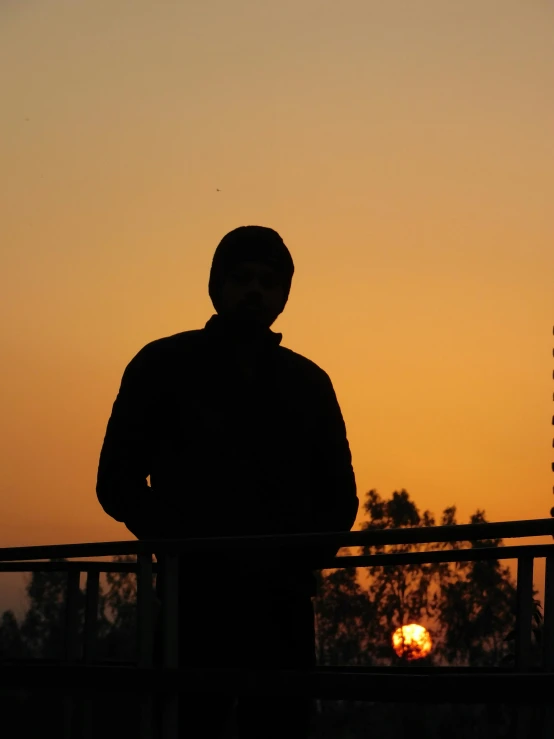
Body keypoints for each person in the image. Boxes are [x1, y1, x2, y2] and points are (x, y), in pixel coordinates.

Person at [96, 225, 359, 738]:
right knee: (184, 724)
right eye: (241, 278)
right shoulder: (162, 366)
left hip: (281, 610)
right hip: (192, 605)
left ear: (285, 295)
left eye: (269, 281)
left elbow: (340, 497)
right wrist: (183, 545)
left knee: (278, 727)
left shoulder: (308, 383)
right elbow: (116, 480)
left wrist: (299, 557)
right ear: (215, 286)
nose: (255, 291)